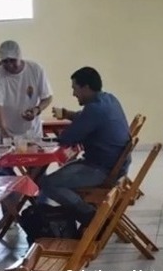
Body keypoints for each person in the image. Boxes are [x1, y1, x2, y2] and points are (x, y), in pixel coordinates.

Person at [38, 67, 130, 225]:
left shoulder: (94, 109)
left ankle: (90, 216)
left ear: (86, 88)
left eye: (75, 89)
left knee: (47, 183)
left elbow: (68, 137)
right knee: (64, 174)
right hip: (117, 165)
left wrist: (41, 142)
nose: (74, 94)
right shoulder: (108, 99)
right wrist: (68, 114)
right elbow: (84, 118)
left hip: (101, 170)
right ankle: (75, 214)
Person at [0, 40, 53, 142]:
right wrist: (4, 130)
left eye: (13, 60)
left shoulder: (36, 70)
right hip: (5, 131)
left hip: (31, 131)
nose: (9, 65)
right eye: (5, 61)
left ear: (19, 57)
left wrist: (36, 110)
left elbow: (47, 97)